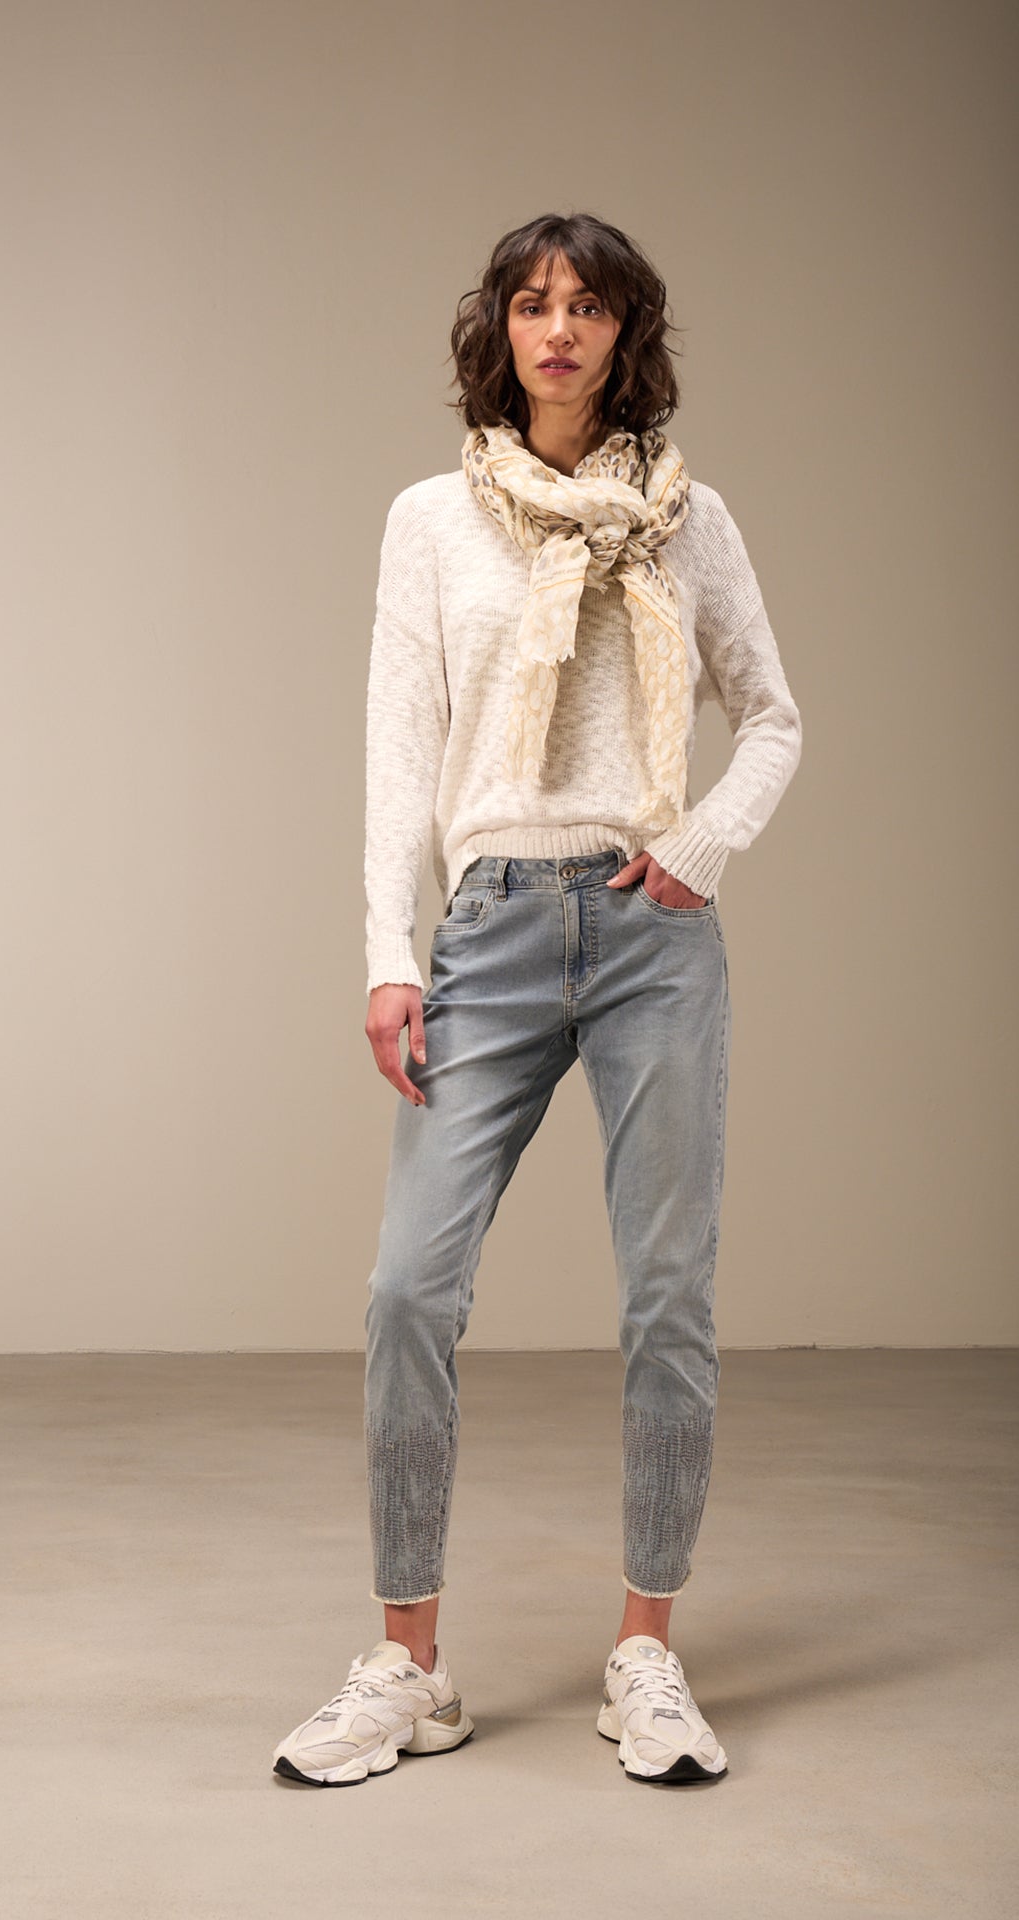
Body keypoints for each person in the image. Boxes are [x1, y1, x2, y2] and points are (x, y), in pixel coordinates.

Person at [272, 212, 802, 1790]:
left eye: (586, 305)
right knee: (407, 1289)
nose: (557, 329)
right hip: (492, 926)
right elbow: (398, 744)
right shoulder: (433, 520)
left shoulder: (691, 520)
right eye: (529, 302)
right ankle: (407, 1667)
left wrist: (700, 847)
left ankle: (647, 1652)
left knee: (668, 1296)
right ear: (498, 330)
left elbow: (773, 720)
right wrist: (390, 951)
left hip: (652, 934)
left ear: (626, 330)